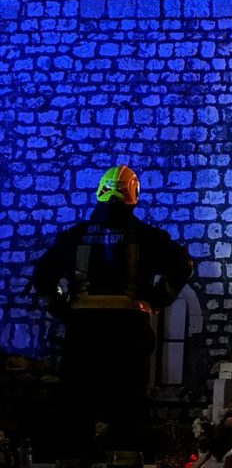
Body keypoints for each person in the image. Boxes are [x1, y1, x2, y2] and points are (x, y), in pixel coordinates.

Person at [33, 165, 193, 460]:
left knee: (77, 408)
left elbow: (43, 275)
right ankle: (124, 458)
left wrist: (61, 307)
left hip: (83, 334)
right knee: (128, 410)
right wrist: (157, 300)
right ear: (134, 196)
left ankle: (76, 458)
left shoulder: (74, 237)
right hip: (128, 334)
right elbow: (183, 266)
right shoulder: (149, 238)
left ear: (99, 192)